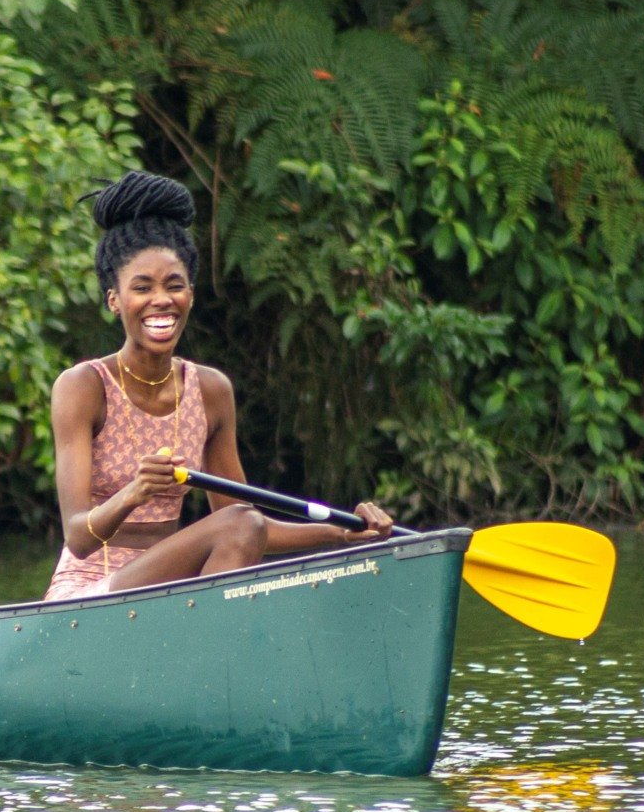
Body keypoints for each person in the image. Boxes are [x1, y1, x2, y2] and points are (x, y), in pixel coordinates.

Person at [46, 172, 392, 600]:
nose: (161, 300)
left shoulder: (210, 391)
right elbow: (78, 537)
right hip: (86, 593)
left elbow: (247, 527)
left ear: (190, 293)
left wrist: (342, 532)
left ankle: (207, 650)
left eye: (174, 286)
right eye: (142, 288)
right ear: (114, 299)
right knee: (240, 525)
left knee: (242, 523)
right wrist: (132, 494)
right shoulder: (83, 386)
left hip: (166, 595)